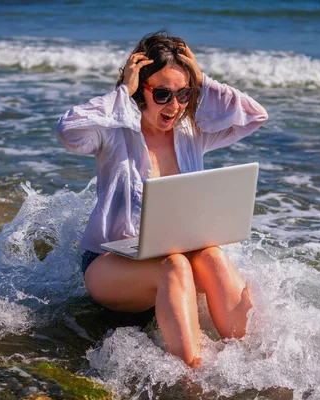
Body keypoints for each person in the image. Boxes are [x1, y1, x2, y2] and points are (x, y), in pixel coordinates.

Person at [56, 31, 268, 367]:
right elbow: (68, 130)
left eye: (183, 93)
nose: (175, 106)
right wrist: (121, 93)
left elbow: (254, 115)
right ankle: (192, 376)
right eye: (163, 94)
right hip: (110, 264)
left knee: (211, 255)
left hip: (175, 258)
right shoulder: (115, 131)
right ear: (142, 90)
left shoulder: (191, 132)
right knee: (176, 264)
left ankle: (253, 363)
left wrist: (200, 79)